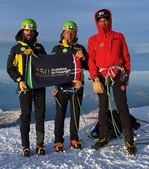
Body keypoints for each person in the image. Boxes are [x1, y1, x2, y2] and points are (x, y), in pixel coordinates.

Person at [87, 9, 137, 155]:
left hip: (118, 73)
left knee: (122, 105)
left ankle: (129, 140)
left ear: (110, 20)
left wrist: (126, 74)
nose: (103, 22)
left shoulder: (118, 36)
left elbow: (126, 55)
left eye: (105, 20)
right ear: (97, 22)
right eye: (100, 20)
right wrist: (95, 78)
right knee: (103, 106)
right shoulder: (93, 40)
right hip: (102, 74)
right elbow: (91, 61)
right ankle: (103, 137)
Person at [7, 18, 47, 157]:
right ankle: (26, 146)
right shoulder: (16, 49)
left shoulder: (40, 47)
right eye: (27, 30)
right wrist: (19, 80)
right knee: (26, 116)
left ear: (35, 32)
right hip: (25, 87)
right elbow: (10, 68)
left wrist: (35, 55)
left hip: (39, 87)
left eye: (31, 30)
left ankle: (40, 144)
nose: (29, 33)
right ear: (22, 31)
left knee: (40, 115)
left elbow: (46, 65)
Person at [51, 20, 89, 152]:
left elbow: (88, 67)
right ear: (63, 33)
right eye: (68, 32)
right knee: (60, 115)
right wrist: (54, 86)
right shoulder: (57, 49)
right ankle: (58, 141)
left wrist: (83, 58)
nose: (70, 35)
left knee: (75, 114)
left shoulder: (81, 48)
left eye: (73, 32)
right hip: (62, 87)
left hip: (77, 86)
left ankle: (74, 139)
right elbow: (52, 69)